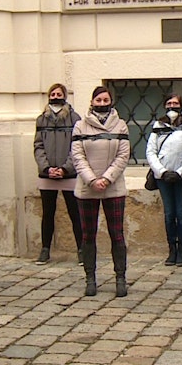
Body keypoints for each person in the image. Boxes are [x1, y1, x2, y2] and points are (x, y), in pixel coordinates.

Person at [71, 85, 130, 297]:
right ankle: (90, 278)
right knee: (88, 235)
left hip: (113, 188)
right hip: (88, 189)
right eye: (99, 101)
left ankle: (120, 277)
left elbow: (123, 156)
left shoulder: (121, 126)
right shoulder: (80, 126)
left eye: (106, 100)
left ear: (111, 101)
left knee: (117, 234)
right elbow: (77, 156)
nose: (102, 104)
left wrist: (106, 178)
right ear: (92, 102)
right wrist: (92, 179)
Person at [33, 83, 82, 266]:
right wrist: (46, 168)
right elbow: (38, 146)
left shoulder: (74, 118)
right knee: (48, 213)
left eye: (58, 93)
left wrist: (65, 168)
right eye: (52, 94)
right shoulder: (41, 119)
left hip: (68, 174)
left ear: (65, 96)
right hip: (48, 175)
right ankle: (45, 249)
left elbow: (77, 147)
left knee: (75, 212)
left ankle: (81, 249)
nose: (55, 96)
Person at [146, 93, 182, 268]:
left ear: (181, 106)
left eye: (176, 103)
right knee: (169, 214)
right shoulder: (158, 126)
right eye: (169, 103)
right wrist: (162, 171)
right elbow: (150, 152)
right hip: (163, 178)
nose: (172, 106)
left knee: (181, 214)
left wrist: (181, 172)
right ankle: (171, 249)